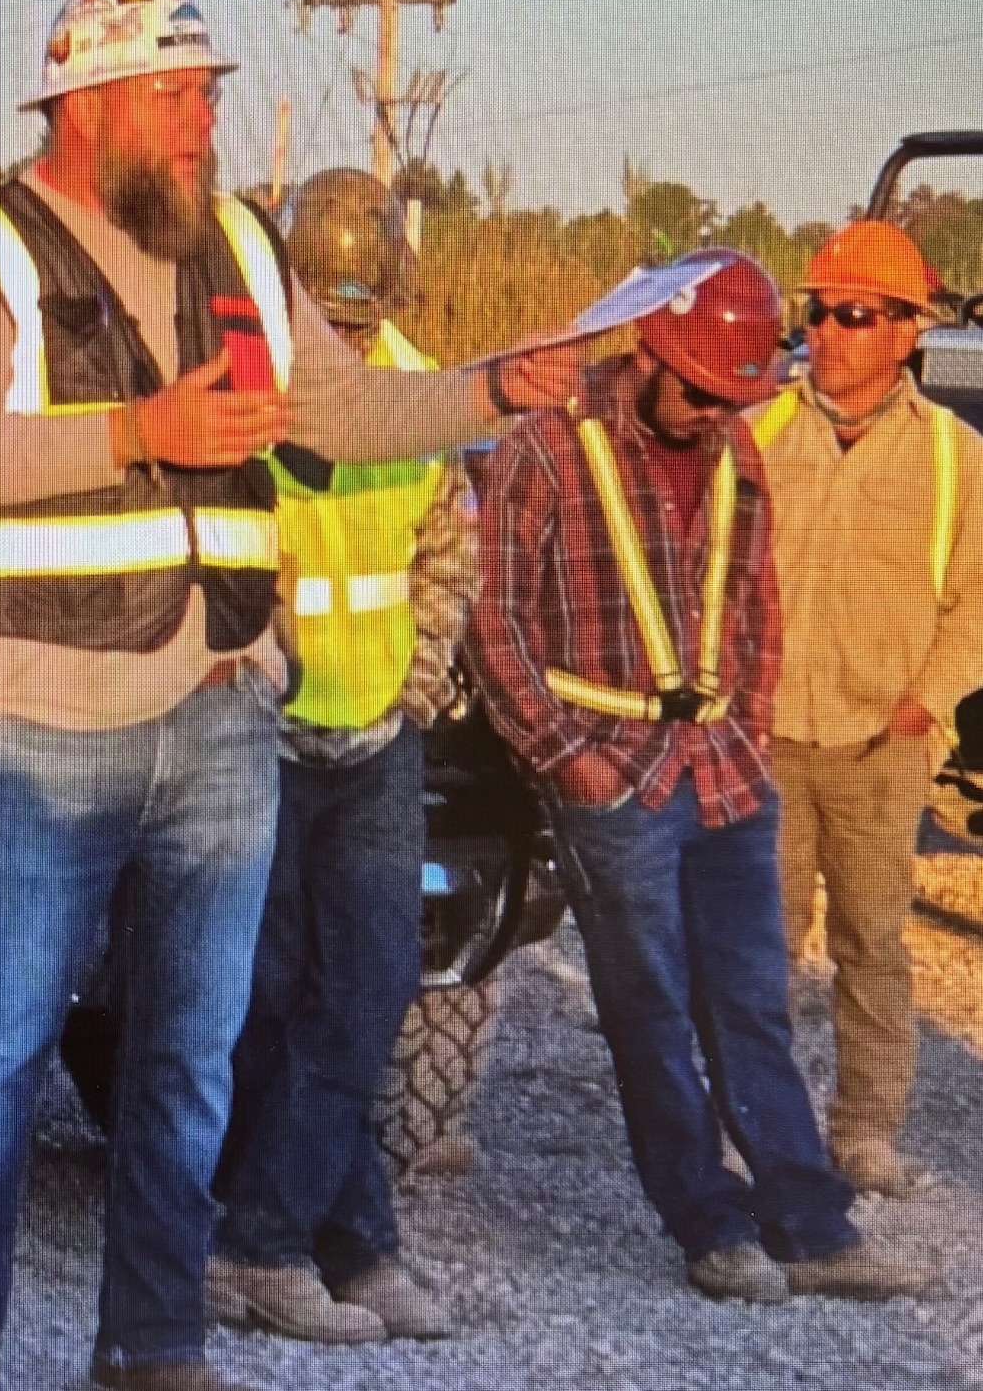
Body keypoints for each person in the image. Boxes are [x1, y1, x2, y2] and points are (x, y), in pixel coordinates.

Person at [0, 0, 580, 1391]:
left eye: (206, 94)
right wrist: (142, 424)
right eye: (180, 95)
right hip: (37, 726)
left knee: (189, 1061)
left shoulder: (245, 252)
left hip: (218, 713)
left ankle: (152, 1343)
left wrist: (499, 386)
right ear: (91, 107)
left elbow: (350, 412)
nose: (206, 121)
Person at [467, 250, 931, 1307]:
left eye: (736, 397)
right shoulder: (549, 445)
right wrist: (567, 760)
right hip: (613, 775)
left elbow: (755, 605)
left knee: (753, 1005)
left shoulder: (732, 448)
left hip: (723, 771)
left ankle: (810, 1228)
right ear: (651, 354)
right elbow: (495, 622)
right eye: (703, 390)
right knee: (651, 1008)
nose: (717, 412)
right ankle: (708, 1224)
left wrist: (750, 736)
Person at [208, 170, 477, 1346]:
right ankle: (339, 1246)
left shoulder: (422, 396)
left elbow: (446, 564)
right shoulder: (242, 392)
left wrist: (413, 697)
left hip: (376, 738)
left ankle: (270, 1242)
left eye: (362, 317)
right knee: (264, 999)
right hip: (259, 732)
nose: (350, 337)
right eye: (329, 313)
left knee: (365, 994)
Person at [753, 220, 983, 1198]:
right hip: (766, 739)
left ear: (906, 332)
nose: (831, 332)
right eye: (820, 311)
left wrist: (929, 703)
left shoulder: (953, 457)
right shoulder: (757, 430)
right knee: (754, 952)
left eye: (855, 315)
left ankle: (865, 1132)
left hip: (882, 745)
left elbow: (977, 594)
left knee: (871, 945)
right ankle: (752, 1129)